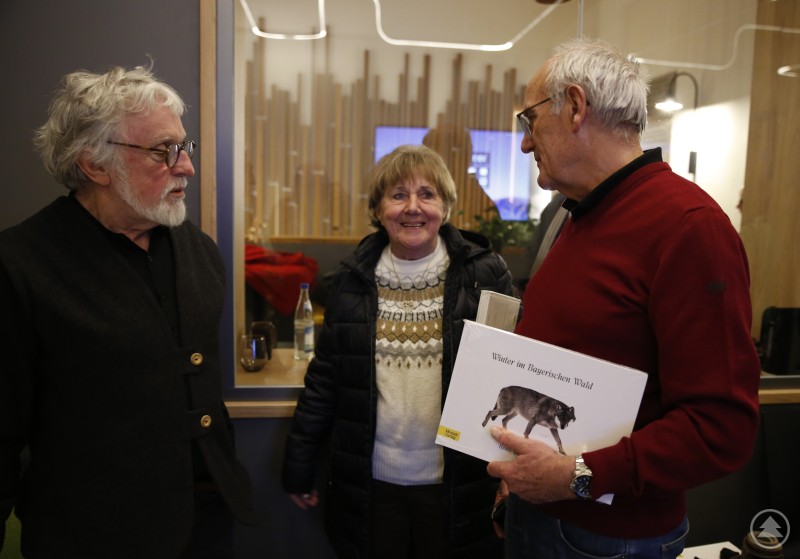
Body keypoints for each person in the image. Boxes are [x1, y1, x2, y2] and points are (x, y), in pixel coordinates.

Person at [486, 39, 761, 559]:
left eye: (529, 120)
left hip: (607, 541)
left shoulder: (688, 228)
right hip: (540, 514)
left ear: (574, 107)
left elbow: (721, 428)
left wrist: (579, 478)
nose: (524, 144)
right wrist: (522, 478)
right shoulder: (579, 216)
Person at [0, 65, 257, 558]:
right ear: (95, 165)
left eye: (185, 147)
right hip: (94, 534)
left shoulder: (197, 249)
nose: (186, 167)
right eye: (165, 150)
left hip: (207, 520)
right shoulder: (20, 266)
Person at [282, 144, 514, 558]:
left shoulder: (484, 274)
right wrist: (299, 466)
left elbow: (514, 376)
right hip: (372, 487)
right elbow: (325, 380)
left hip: (458, 488)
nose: (413, 207)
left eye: (427, 194)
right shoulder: (350, 282)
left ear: (445, 206)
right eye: (398, 195)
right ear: (377, 209)